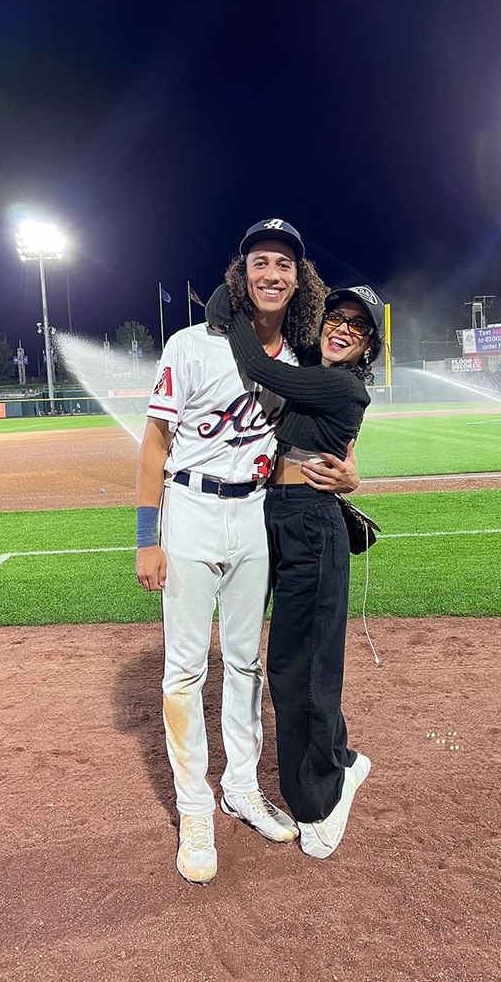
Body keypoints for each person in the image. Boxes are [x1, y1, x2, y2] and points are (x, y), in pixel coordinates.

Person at [135, 219, 359, 885]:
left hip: (254, 514)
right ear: (243, 272)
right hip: (193, 512)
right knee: (183, 670)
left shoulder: (298, 361)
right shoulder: (190, 345)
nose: (272, 273)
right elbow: (154, 444)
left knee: (244, 664)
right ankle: (194, 808)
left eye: (283, 264)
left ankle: (241, 786)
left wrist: (352, 476)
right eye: (261, 261)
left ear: (298, 279)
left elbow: (332, 440)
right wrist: (147, 538)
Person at [206, 281, 383, 860]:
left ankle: (320, 801)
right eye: (337, 316)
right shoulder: (313, 363)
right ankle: (342, 759)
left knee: (296, 666)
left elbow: (259, 364)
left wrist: (232, 306)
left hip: (310, 524)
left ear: (367, 349)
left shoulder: (339, 385)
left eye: (358, 327)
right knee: (304, 661)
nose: (343, 328)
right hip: (277, 514)